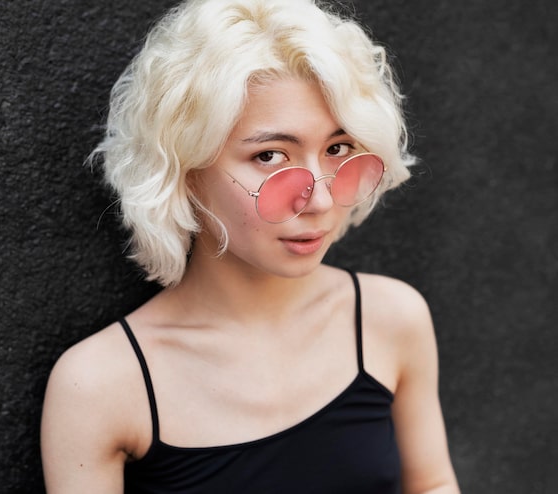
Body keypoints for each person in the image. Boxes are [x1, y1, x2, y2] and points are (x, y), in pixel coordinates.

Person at [41, 0, 460, 492]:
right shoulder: (100, 385)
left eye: (338, 148)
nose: (320, 199)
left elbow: (432, 484)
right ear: (184, 170)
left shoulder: (391, 319)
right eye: (270, 156)